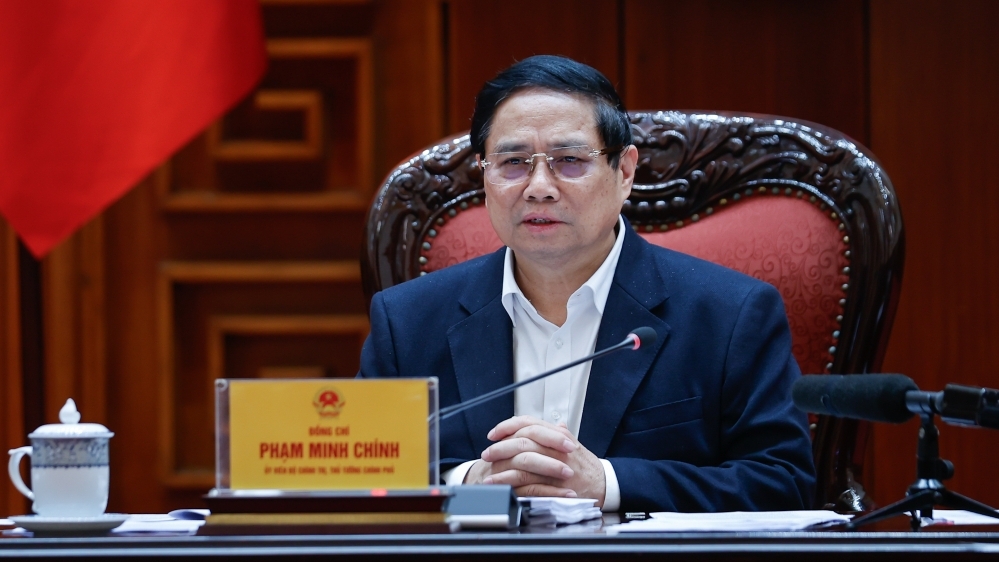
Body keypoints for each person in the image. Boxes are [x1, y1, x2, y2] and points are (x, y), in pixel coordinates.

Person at [358, 55, 815, 512]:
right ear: (484, 172)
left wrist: (607, 483)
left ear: (625, 172)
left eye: (570, 160)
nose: (539, 187)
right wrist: (468, 484)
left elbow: (783, 483)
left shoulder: (730, 315)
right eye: (513, 162)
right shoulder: (407, 322)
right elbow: (360, 479)